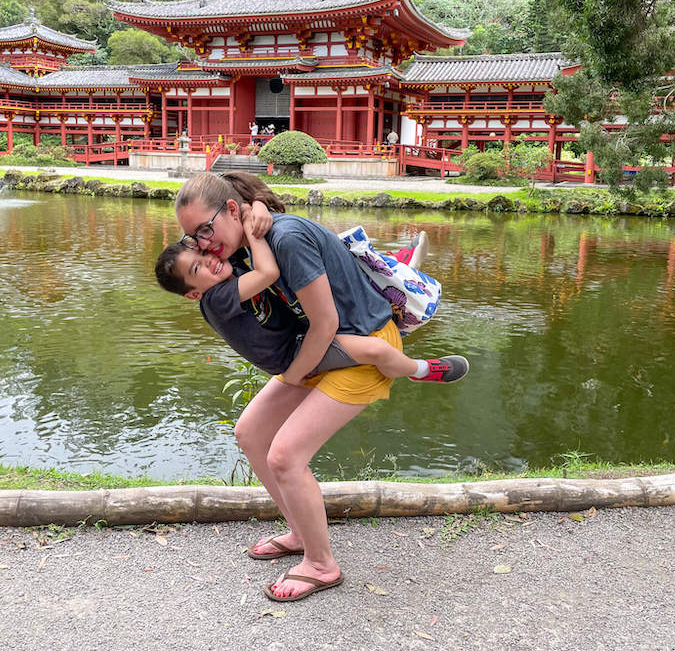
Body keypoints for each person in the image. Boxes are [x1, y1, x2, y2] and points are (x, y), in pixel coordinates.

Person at [172, 172, 467, 602]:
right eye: (192, 237)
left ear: (231, 210)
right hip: (317, 350)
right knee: (250, 434)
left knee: (286, 456)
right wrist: (255, 212)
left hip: (361, 343)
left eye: (204, 230)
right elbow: (220, 265)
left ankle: (321, 564)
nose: (202, 244)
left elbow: (327, 321)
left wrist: (292, 377)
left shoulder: (286, 240)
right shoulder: (237, 247)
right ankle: (298, 531)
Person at [154, 214, 467, 383]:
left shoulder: (224, 269)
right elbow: (268, 273)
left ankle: (392, 263)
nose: (209, 260)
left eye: (202, 252)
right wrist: (254, 233)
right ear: (193, 293)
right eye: (198, 267)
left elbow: (237, 211)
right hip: (296, 354)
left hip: (300, 330)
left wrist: (258, 208)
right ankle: (422, 370)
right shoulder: (215, 300)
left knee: (330, 256)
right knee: (376, 349)